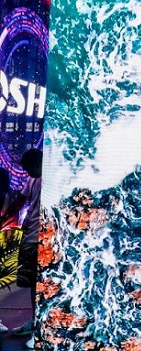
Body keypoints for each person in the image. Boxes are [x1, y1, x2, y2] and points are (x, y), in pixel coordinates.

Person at [11, 148, 42, 349]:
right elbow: (22, 199)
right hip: (30, 236)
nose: (28, 173)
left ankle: (39, 327)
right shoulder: (33, 179)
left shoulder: (49, 180)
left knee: (39, 284)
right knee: (30, 284)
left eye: (30, 169)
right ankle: (33, 322)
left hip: (41, 239)